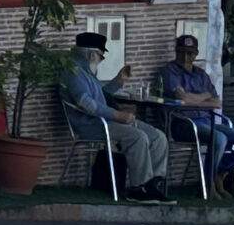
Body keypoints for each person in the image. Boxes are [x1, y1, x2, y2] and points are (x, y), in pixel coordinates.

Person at [59, 30, 170, 200]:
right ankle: (139, 189)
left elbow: (100, 96)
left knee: (158, 137)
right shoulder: (73, 72)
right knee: (137, 136)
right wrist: (118, 115)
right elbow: (86, 103)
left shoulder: (87, 72)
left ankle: (154, 184)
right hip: (91, 126)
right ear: (91, 54)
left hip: (106, 121)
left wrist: (119, 81)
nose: (101, 61)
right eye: (101, 57)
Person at [156, 33, 234, 192]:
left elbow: (217, 102)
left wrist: (196, 99)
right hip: (183, 123)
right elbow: (181, 98)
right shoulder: (170, 70)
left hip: (207, 120)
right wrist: (205, 96)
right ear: (176, 52)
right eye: (181, 52)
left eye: (189, 53)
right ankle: (208, 186)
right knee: (219, 139)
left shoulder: (201, 74)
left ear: (196, 54)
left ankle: (219, 171)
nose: (185, 56)